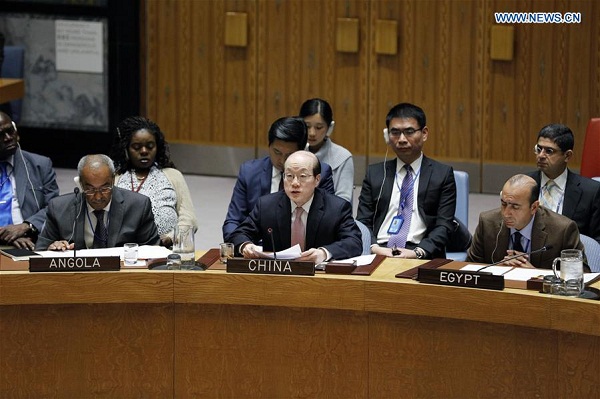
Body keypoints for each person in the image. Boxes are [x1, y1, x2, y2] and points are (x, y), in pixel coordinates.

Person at [357, 103, 456, 260]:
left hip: (420, 252)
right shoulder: (375, 173)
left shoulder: (442, 174)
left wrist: (418, 252)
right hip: (379, 250)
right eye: (395, 132)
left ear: (424, 133)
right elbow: (363, 221)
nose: (402, 139)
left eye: (409, 132)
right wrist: (374, 247)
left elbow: (444, 225)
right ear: (387, 136)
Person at [231, 151, 362, 263]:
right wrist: (245, 246)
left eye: (302, 176)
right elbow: (239, 234)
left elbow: (354, 242)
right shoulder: (266, 205)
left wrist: (324, 253)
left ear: (317, 180)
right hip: (277, 276)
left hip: (319, 279)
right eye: (289, 176)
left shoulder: (336, 208)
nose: (295, 183)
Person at [222, 116, 335, 243]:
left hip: (303, 251)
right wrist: (243, 245)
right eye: (277, 152)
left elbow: (329, 224)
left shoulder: (319, 173)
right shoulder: (249, 172)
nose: (282, 160)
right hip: (257, 249)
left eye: (289, 155)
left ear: (302, 150)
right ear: (269, 146)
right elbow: (233, 221)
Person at [36, 154, 160, 250]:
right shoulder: (58, 208)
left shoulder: (138, 206)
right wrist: (52, 248)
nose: (98, 196)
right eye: (90, 189)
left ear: (112, 180)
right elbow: (40, 251)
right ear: (80, 184)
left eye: (104, 188)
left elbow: (153, 251)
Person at [110, 116, 197, 247]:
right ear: (126, 149)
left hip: (165, 250)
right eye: (137, 147)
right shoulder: (115, 178)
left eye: (150, 146)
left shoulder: (173, 176)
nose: (144, 151)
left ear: (158, 147)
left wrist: (171, 237)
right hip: (125, 249)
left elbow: (189, 219)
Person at [466, 174, 585, 269]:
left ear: (534, 207)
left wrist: (535, 276)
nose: (506, 213)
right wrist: (497, 269)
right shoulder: (487, 222)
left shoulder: (562, 229)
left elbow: (582, 275)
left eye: (515, 207)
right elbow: (469, 268)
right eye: (504, 204)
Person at [526, 123, 600, 243]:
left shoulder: (591, 192)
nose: (541, 156)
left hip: (568, 257)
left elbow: (596, 241)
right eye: (538, 149)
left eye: (549, 151)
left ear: (567, 155)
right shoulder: (523, 184)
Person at [0, 111, 59, 250]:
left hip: (29, 242)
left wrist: (26, 226)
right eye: (1, 135)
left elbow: (55, 208)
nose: (8, 138)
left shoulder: (40, 165)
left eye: (10, 131)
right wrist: (8, 236)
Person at [299, 98, 354, 202]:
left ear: (330, 127)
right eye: (307, 126)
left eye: (319, 127)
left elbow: (344, 200)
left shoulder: (343, 157)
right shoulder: (295, 153)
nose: (312, 133)